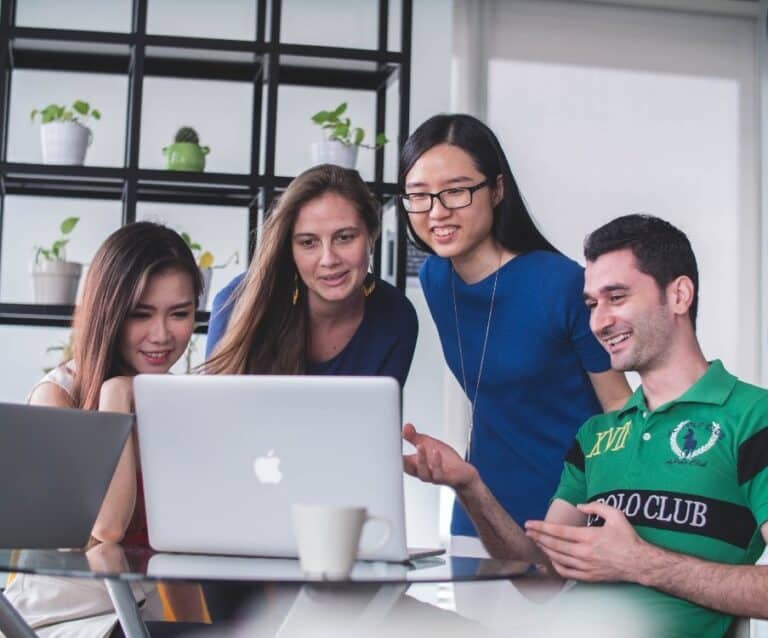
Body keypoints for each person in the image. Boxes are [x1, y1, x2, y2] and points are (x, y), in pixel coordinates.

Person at [403, 214, 768, 637]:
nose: (599, 322)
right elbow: (540, 578)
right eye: (592, 304)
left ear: (679, 295)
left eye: (617, 297)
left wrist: (641, 562)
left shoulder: (751, 416)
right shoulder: (596, 435)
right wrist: (469, 487)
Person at [399, 114, 630, 548]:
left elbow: (619, 407)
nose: (437, 211)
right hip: (479, 513)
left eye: (456, 191)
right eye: (419, 196)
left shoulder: (560, 283)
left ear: (498, 189)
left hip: (570, 515)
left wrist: (610, 513)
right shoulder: (435, 278)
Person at [5, 222, 209, 636]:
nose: (162, 335)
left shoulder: (169, 403)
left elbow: (177, 559)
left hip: (134, 621)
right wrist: (116, 396)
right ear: (109, 312)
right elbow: (107, 528)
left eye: (180, 314)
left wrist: (212, 630)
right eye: (141, 314)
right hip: (60, 623)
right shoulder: (57, 397)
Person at [203, 163, 417, 388]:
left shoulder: (396, 316)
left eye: (344, 237)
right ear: (290, 248)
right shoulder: (237, 301)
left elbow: (376, 419)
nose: (329, 259)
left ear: (371, 234)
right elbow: (216, 414)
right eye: (308, 242)